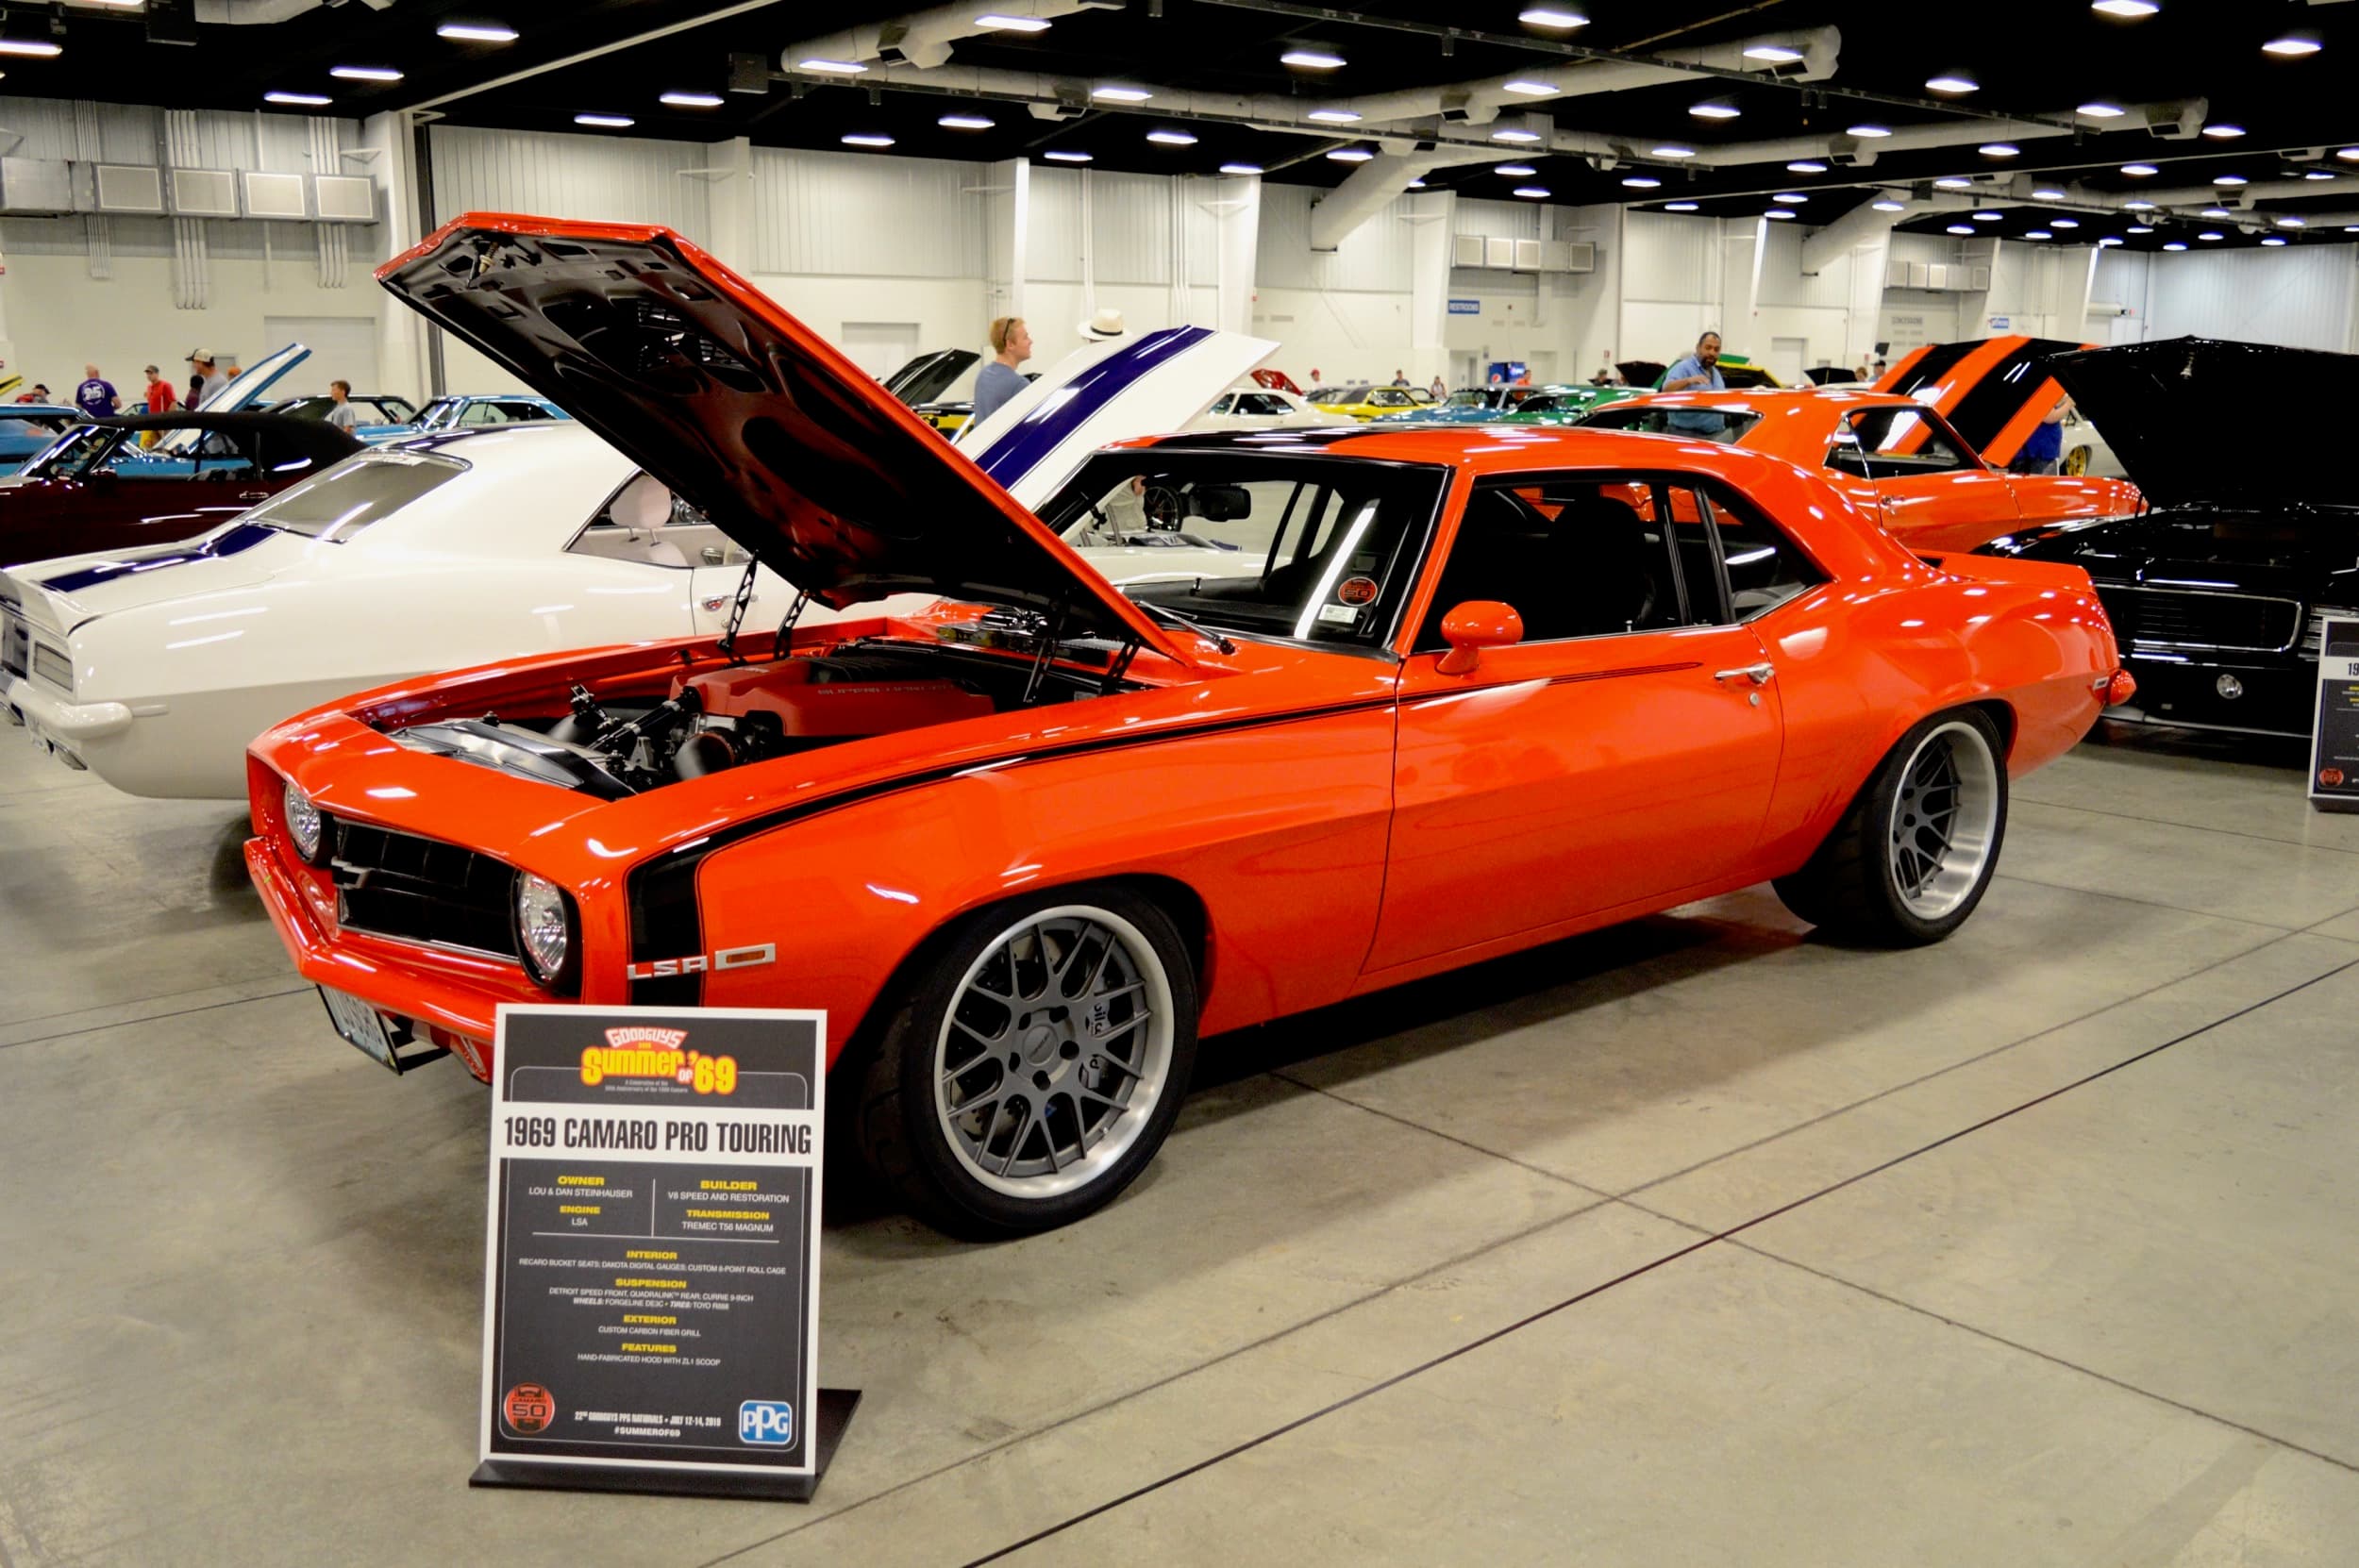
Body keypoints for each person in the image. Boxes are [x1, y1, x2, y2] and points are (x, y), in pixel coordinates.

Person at [1662, 331, 1728, 435]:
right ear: (1698, 348)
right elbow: (1665, 391)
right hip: (1686, 434)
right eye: (1708, 347)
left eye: (1716, 349)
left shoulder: (1716, 374)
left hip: (1715, 434)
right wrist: (1688, 381)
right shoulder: (1683, 367)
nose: (1712, 353)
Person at [970, 316, 1032, 427]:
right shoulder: (1019, 385)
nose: (1030, 342)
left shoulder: (983, 375)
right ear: (1010, 344)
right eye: (1025, 337)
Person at [2011, 393, 2071, 475]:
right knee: (2038, 483)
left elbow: (2051, 406)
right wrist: (2069, 403)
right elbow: (2050, 417)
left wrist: (2064, 400)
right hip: (2038, 451)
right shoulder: (2039, 392)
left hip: (2036, 450)